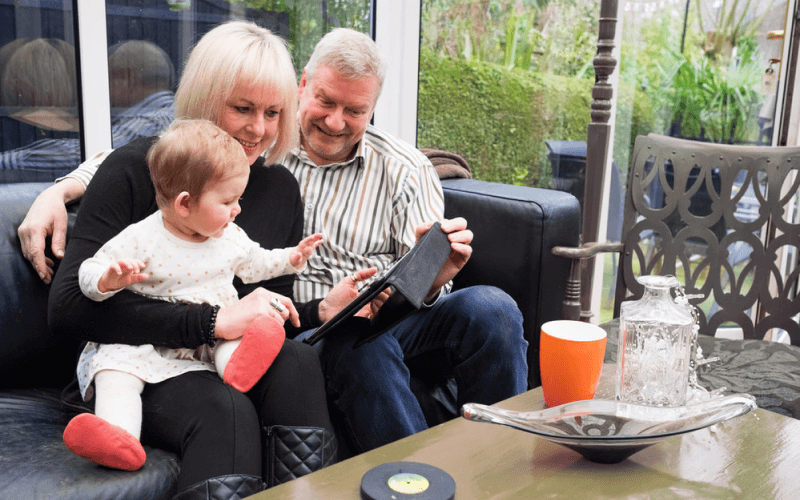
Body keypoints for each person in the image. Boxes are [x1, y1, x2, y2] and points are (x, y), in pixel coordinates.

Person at [18, 27, 529, 456]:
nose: (334, 121)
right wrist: (57, 191)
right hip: (323, 329)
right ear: (303, 87)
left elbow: (418, 276)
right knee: (357, 351)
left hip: (387, 313)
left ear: (373, 107)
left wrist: (435, 277)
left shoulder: (390, 169)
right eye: (324, 101)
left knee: (493, 307)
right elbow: (156, 159)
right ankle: (419, 480)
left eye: (355, 110)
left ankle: (500, 457)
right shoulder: (248, 158)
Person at [25, 21, 343, 500]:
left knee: (298, 361)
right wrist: (212, 322)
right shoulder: (135, 170)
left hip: (219, 358)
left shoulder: (279, 189)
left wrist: (319, 310)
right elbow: (69, 308)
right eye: (242, 108)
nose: (259, 129)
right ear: (204, 97)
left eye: (273, 113)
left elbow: (263, 304)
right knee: (225, 410)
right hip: (132, 365)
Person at [63, 119, 324, 472]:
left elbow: (255, 262)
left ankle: (239, 369)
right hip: (145, 344)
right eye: (229, 200)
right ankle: (117, 437)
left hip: (211, 335)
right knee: (115, 374)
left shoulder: (228, 235)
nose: (238, 210)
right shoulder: (142, 237)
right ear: (185, 203)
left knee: (233, 337)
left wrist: (291, 258)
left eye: (238, 199)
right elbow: (87, 273)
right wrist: (109, 280)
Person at [1, 39, 173, 183]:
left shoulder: (154, 122)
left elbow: (92, 155)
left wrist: (6, 160)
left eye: (104, 78)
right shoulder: (168, 113)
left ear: (126, 77)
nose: (95, 88)